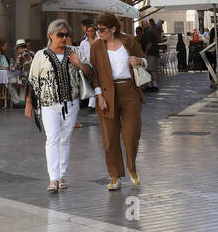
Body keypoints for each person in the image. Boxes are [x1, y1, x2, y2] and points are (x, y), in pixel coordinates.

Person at [87, 11, 147, 190]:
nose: (99, 32)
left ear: (113, 28)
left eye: (102, 29)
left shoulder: (128, 41)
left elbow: (145, 61)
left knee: (131, 134)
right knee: (109, 138)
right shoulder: (96, 47)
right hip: (106, 94)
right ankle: (115, 175)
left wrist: (139, 60)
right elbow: (94, 74)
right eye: (97, 29)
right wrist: (99, 96)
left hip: (129, 91)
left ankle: (132, 169)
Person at [25, 20, 85, 192]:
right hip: (48, 104)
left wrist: (78, 64)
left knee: (65, 139)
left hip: (71, 104)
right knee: (52, 138)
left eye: (67, 35)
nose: (64, 38)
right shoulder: (41, 55)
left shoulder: (75, 52)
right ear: (51, 35)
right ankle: (53, 179)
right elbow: (32, 80)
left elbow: (89, 71)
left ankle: (61, 175)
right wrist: (29, 103)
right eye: (60, 35)